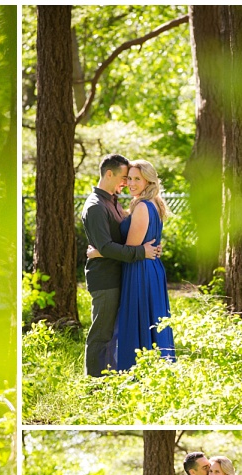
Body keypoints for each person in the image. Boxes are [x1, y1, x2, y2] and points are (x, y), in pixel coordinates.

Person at [78, 153, 162, 377]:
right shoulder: (96, 206)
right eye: (124, 177)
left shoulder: (113, 201)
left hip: (121, 274)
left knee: (116, 333)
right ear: (108, 174)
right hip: (105, 279)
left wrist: (146, 247)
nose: (127, 183)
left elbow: (113, 243)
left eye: (132, 178)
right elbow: (106, 247)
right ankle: (95, 382)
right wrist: (140, 251)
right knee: (102, 334)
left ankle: (114, 377)